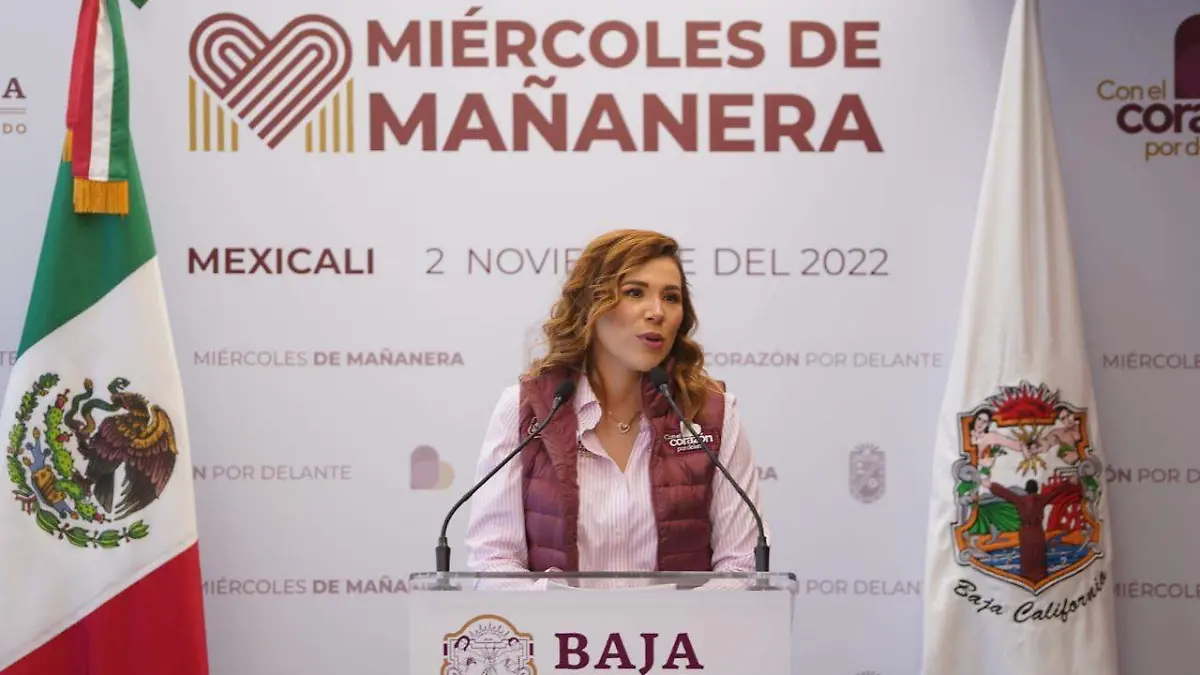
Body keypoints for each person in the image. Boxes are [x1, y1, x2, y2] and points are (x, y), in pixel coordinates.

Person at [462, 229, 769, 586]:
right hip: (558, 625)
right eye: (635, 292)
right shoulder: (526, 409)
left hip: (683, 626)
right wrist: (561, 611)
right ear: (591, 304)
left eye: (671, 297)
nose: (657, 312)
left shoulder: (712, 414)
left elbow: (741, 565)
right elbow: (495, 561)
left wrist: (678, 616)